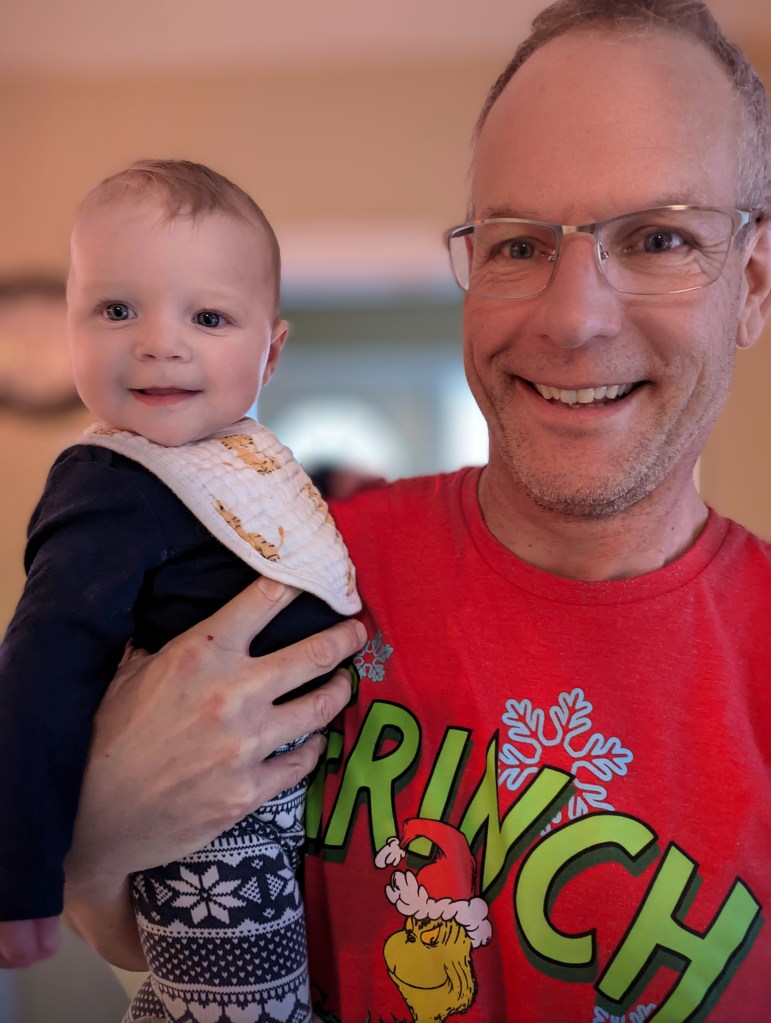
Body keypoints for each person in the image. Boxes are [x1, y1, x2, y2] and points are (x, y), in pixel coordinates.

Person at [63, 1, 771, 1020]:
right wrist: (92, 837)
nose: (574, 318)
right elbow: (149, 929)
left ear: (751, 283)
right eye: (518, 245)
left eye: (658, 238)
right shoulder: (289, 573)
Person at [0, 159, 362, 1022]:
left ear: (271, 351)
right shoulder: (112, 483)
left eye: (207, 316)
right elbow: (39, 669)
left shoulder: (232, 461)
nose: (159, 343)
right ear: (70, 326)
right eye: (117, 310)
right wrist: (20, 874)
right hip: (209, 830)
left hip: (274, 795)